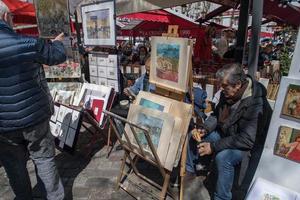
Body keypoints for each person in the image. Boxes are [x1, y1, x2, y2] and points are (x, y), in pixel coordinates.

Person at [0, 2, 66, 200]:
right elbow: (58, 55)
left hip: (4, 123)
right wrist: (58, 42)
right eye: (12, 18)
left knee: (14, 166)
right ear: (5, 17)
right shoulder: (27, 43)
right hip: (35, 117)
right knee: (44, 159)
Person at [186, 63, 272, 200]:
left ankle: (221, 197)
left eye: (224, 86)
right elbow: (216, 115)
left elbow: (247, 139)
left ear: (238, 84)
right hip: (229, 133)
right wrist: (204, 129)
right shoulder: (228, 93)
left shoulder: (256, 103)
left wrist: (213, 147)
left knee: (224, 157)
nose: (221, 89)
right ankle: (188, 175)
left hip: (248, 144)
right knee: (193, 134)